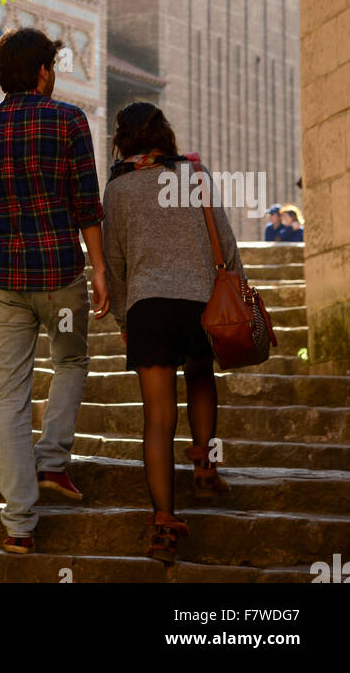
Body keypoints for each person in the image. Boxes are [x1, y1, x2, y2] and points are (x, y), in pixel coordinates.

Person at [0, 27, 109, 555]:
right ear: (42, 71)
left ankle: (19, 525)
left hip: (4, 286)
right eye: (52, 67)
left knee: (10, 396)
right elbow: (87, 202)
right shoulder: (68, 122)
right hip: (59, 277)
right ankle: (54, 461)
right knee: (70, 360)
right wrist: (99, 267)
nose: (53, 75)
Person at [102, 102, 243, 566]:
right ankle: (205, 467)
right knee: (202, 377)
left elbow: (116, 265)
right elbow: (226, 242)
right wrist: (235, 295)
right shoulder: (195, 174)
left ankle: (163, 526)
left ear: (124, 139)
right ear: (165, 133)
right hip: (200, 301)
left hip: (148, 305)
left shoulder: (118, 190)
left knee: (158, 418)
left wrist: (125, 320)